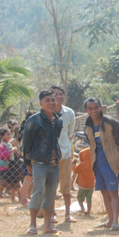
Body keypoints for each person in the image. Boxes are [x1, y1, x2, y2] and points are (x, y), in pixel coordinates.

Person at [84, 97, 119, 231]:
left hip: (111, 164)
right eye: (90, 108)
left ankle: (116, 221)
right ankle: (109, 221)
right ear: (86, 110)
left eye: (96, 107)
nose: (93, 111)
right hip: (97, 165)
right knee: (104, 193)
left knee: (113, 193)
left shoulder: (110, 122)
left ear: (101, 107)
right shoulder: (88, 126)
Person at [23, 89, 63, 235]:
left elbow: (55, 140)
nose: (51, 103)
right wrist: (28, 163)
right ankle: (33, 225)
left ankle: (47, 226)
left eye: (53, 100)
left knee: (51, 194)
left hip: (54, 163)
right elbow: (26, 143)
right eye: (48, 100)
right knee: (38, 192)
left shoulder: (58, 120)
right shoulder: (33, 120)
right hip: (39, 162)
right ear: (41, 103)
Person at [50, 85, 76, 223]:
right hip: (49, 155)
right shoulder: (45, 113)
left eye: (61, 94)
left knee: (66, 185)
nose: (59, 97)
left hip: (65, 154)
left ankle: (67, 214)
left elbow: (70, 133)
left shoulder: (69, 113)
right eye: (55, 94)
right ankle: (52, 214)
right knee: (51, 185)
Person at [72, 148, 95, 216]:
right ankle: (88, 212)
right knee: (89, 199)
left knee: (80, 198)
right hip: (91, 185)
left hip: (82, 185)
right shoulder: (93, 164)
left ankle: (83, 209)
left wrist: (74, 164)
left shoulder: (82, 163)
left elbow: (75, 170)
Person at [0, 127, 20, 201]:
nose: (10, 136)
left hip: (11, 163)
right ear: (2, 136)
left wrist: (16, 151)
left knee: (15, 180)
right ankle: (19, 197)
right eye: (7, 135)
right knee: (5, 181)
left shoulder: (8, 144)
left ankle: (13, 196)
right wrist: (11, 151)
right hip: (5, 165)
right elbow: (2, 154)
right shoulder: (2, 145)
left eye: (10, 134)